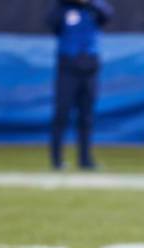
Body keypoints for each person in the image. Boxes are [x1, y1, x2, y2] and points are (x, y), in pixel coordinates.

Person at [47, 0, 113, 170]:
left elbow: (107, 15)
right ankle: (57, 159)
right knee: (62, 113)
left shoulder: (94, 8)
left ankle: (85, 159)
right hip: (68, 67)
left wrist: (90, 3)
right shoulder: (62, 9)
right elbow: (51, 24)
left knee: (86, 116)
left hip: (89, 67)